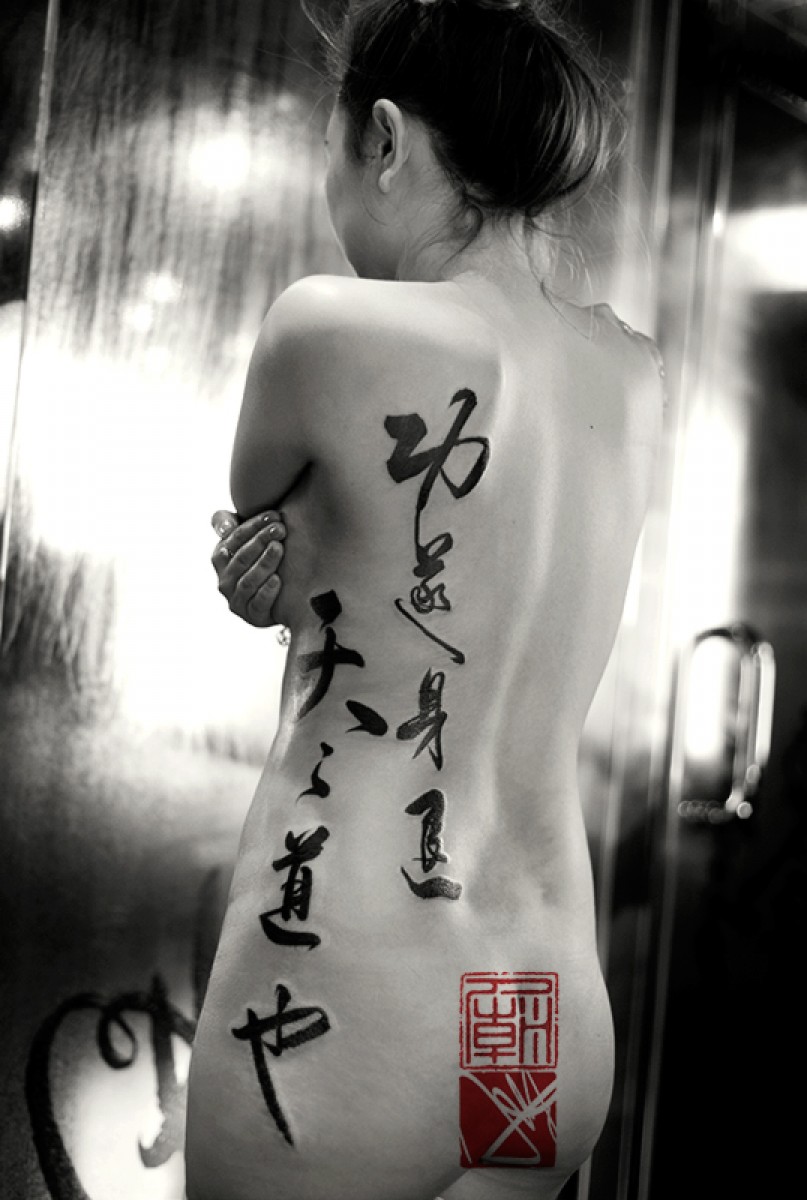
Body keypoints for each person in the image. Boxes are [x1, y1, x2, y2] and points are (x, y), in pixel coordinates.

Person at [185, 1, 665, 1198]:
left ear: (386, 141)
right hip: (541, 1002)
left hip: (351, 999)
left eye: (336, 149)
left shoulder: (326, 327)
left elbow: (265, 519)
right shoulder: (634, 372)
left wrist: (271, 588)